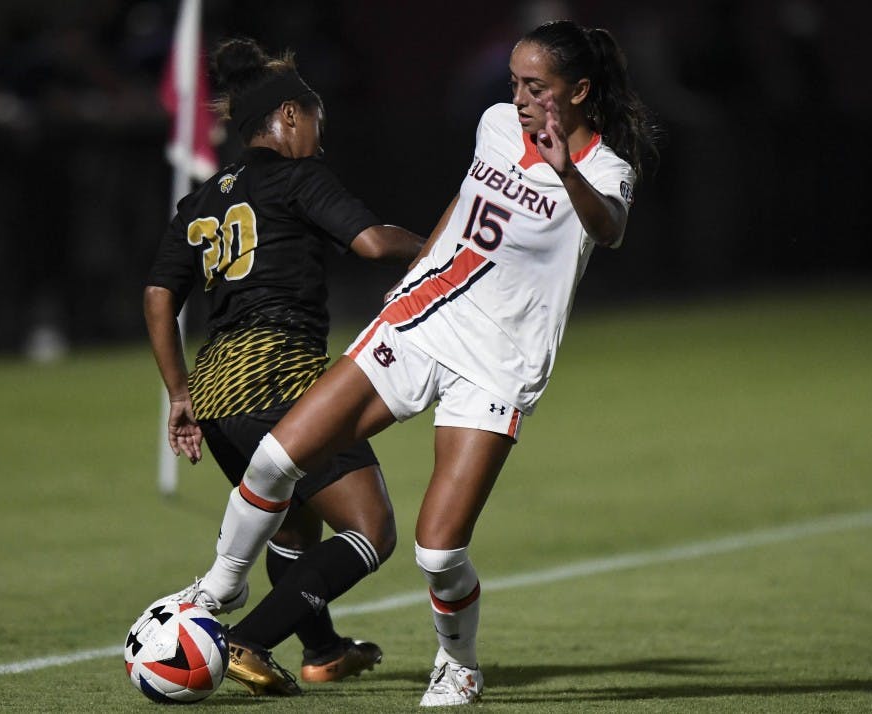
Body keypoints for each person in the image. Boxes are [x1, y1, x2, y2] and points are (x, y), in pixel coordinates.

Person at [162, 19, 659, 706]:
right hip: (425, 319)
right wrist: (427, 260)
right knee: (277, 459)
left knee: (438, 554)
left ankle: (459, 664)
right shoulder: (492, 124)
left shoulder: (606, 169)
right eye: (514, 81)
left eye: (535, 87)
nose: (518, 98)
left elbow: (608, 227)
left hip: (499, 361)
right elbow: (468, 198)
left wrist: (564, 170)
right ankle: (221, 586)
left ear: (577, 92)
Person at [144, 38, 424, 695]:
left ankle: (323, 650)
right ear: (291, 117)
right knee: (370, 530)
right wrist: (451, 247)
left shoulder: (205, 196)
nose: (320, 139)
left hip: (216, 392)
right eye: (316, 122)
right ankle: (247, 640)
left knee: (295, 524)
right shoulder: (299, 178)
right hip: (282, 380)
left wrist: (178, 392)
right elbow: (373, 242)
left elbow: (159, 294)